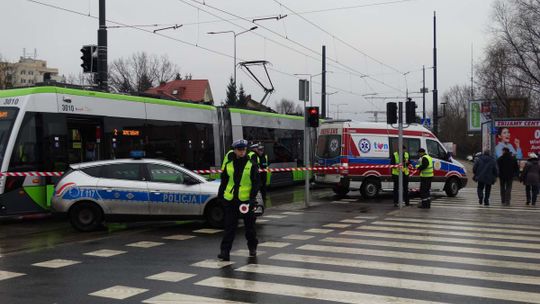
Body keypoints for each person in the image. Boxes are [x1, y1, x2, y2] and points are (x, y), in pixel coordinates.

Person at [217, 139, 260, 261]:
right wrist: (221, 197)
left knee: (249, 227)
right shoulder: (229, 164)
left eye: (244, 150)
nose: (242, 152)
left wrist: (252, 199)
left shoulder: (251, 164)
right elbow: (224, 181)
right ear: (235, 150)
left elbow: (256, 184)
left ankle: (252, 247)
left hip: (246, 201)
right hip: (230, 200)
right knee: (229, 227)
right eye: (240, 150)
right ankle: (225, 252)